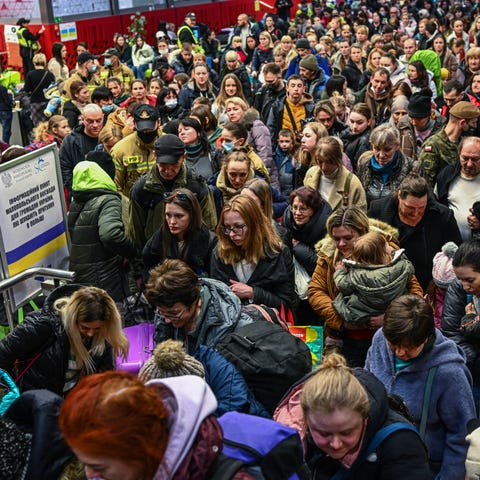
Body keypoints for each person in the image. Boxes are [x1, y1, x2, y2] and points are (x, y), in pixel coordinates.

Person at [365, 295, 475, 479]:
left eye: (409, 347)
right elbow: (367, 389)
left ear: (426, 339)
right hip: (379, 460)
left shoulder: (450, 372)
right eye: (394, 346)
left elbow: (460, 434)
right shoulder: (379, 340)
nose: (400, 353)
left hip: (424, 469)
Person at [308, 206, 423, 366]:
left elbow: (415, 291)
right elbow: (315, 291)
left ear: (363, 233)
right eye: (336, 238)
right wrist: (341, 320)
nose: (341, 244)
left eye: (348, 238)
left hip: (387, 338)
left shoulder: (387, 250)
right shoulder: (328, 255)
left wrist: (391, 317)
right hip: (345, 340)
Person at [296, 353, 432, 478]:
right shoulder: (298, 437)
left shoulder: (400, 445)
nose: (336, 444)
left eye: (347, 432)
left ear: (365, 418)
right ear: (306, 423)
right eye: (324, 434)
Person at [0, 285, 128, 395]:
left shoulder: (102, 335)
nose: (90, 334)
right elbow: (2, 355)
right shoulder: (41, 326)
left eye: (97, 329)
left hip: (69, 401)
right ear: (73, 318)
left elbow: (104, 374)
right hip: (33, 402)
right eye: (84, 327)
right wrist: (15, 392)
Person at [368, 174, 462, 291]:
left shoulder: (442, 216)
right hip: (388, 283)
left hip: (429, 284)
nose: (416, 213)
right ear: (399, 196)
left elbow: (457, 252)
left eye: (421, 208)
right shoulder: (378, 210)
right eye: (410, 208)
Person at [129, 134, 216, 249]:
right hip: (154, 253)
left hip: (190, 252)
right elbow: (135, 231)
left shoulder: (196, 185)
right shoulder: (143, 188)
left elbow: (210, 224)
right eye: (163, 165)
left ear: (184, 157)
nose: (168, 171)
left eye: (174, 165)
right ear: (155, 156)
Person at [68, 158, 137, 302]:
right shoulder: (108, 200)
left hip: (80, 274)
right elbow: (110, 234)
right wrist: (131, 250)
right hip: (105, 275)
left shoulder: (76, 202)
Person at [210, 194, 295, 310]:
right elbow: (216, 299)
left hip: (268, 323)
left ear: (255, 224)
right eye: (227, 227)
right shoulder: (220, 252)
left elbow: (286, 302)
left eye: (238, 227)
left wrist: (253, 293)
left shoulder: (278, 252)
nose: (231, 234)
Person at [147, 258, 252, 351]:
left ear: (196, 301)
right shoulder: (165, 306)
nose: (167, 320)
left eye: (174, 313)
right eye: (162, 313)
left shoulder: (230, 329)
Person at [332, 231, 414, 327]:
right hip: (393, 308)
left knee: (340, 303)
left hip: (363, 313)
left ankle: (335, 333)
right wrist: (393, 251)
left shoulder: (358, 275)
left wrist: (340, 272)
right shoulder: (402, 266)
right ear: (383, 251)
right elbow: (408, 266)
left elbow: (343, 286)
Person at [142, 188, 216, 276]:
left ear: (192, 216)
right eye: (168, 215)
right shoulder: (157, 241)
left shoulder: (210, 242)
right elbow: (148, 272)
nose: (172, 221)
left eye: (179, 216)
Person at [356, 124, 424, 206]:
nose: (381, 155)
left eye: (387, 149)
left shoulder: (413, 168)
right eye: (377, 149)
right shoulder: (364, 164)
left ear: (397, 146)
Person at [419, 101, 480, 185]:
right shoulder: (433, 145)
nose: (475, 126)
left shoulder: (464, 143)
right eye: (473, 122)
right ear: (462, 123)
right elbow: (425, 182)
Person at [304, 136, 366, 212]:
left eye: (329, 162)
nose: (324, 167)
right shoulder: (311, 174)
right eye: (320, 161)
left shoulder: (352, 184)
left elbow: (360, 216)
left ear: (338, 159)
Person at [435, 137, 480, 242]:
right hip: (450, 245)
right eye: (465, 158)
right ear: (459, 155)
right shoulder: (446, 176)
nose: (469, 164)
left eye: (475, 159)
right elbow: (436, 207)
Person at [110, 103, 160, 197]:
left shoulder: (169, 144)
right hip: (132, 204)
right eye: (141, 128)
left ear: (159, 122)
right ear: (134, 124)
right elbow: (116, 188)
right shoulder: (120, 150)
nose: (145, 131)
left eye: (149, 128)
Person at [59, 103, 102, 194]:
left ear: (103, 117)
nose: (95, 125)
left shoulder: (109, 137)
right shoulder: (71, 141)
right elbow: (64, 168)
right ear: (82, 119)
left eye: (98, 121)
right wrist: (75, 190)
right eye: (90, 121)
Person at [178, 117, 219, 182]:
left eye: (186, 129)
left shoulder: (213, 152)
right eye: (179, 131)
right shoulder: (177, 155)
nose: (182, 133)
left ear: (198, 132)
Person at [23, 53, 55, 126]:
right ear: (44, 62)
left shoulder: (30, 74)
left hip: (35, 103)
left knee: (38, 126)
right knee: (50, 125)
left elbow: (26, 89)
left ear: (34, 63)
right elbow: (53, 89)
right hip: (48, 103)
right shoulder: (49, 74)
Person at [340, 103, 372, 171]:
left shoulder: (365, 141)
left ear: (368, 121)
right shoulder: (346, 132)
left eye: (359, 123)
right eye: (351, 121)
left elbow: (359, 168)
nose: (354, 126)